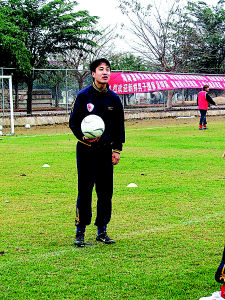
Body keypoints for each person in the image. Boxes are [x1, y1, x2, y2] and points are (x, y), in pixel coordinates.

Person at [69, 58, 125, 247]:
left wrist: (117, 149)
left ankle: (102, 230)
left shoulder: (114, 99)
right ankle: (80, 231)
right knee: (84, 191)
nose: (105, 72)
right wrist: (84, 137)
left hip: (105, 152)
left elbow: (119, 127)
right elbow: (73, 122)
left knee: (105, 192)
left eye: (108, 69)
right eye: (101, 69)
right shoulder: (83, 96)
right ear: (93, 73)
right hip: (86, 150)